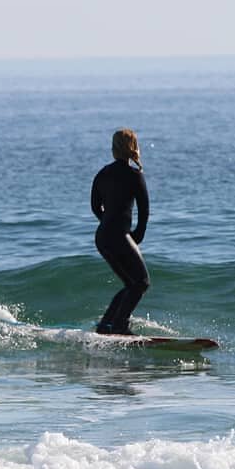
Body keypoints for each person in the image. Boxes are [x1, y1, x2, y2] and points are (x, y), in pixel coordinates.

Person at [90, 128, 149, 335]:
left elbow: (95, 207)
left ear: (114, 149)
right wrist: (136, 236)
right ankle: (120, 325)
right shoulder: (135, 176)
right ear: (133, 148)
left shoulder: (102, 173)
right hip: (119, 236)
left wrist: (107, 223)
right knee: (141, 282)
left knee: (130, 284)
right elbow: (144, 210)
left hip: (102, 236)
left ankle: (105, 326)